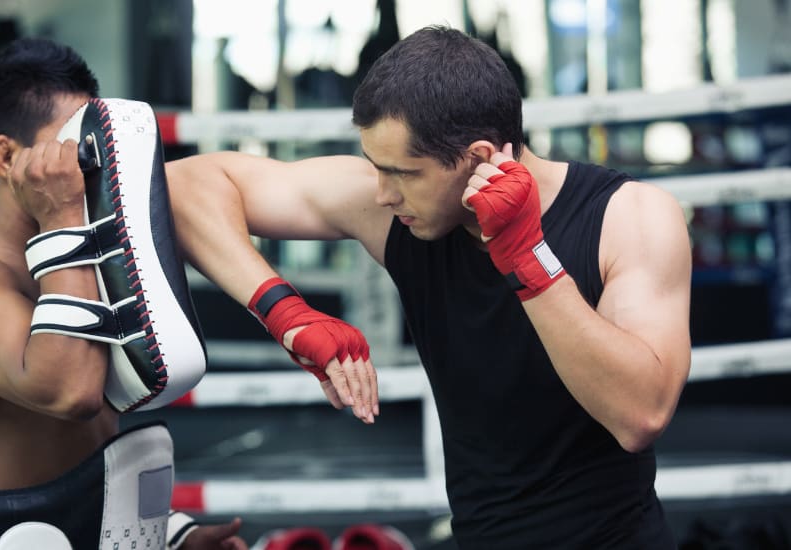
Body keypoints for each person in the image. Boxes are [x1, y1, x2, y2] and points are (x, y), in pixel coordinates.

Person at [166, 26, 691, 549]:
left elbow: (639, 416)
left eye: (404, 173)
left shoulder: (628, 215)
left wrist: (528, 258)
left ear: (481, 158)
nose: (383, 193)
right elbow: (181, 188)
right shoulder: (395, 211)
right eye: (376, 167)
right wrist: (284, 311)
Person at [0, 37, 246, 550]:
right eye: (72, 144)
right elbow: (70, 392)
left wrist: (170, 534)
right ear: (7, 156)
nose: (90, 162)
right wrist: (60, 214)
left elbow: (85, 452)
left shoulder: (82, 262)